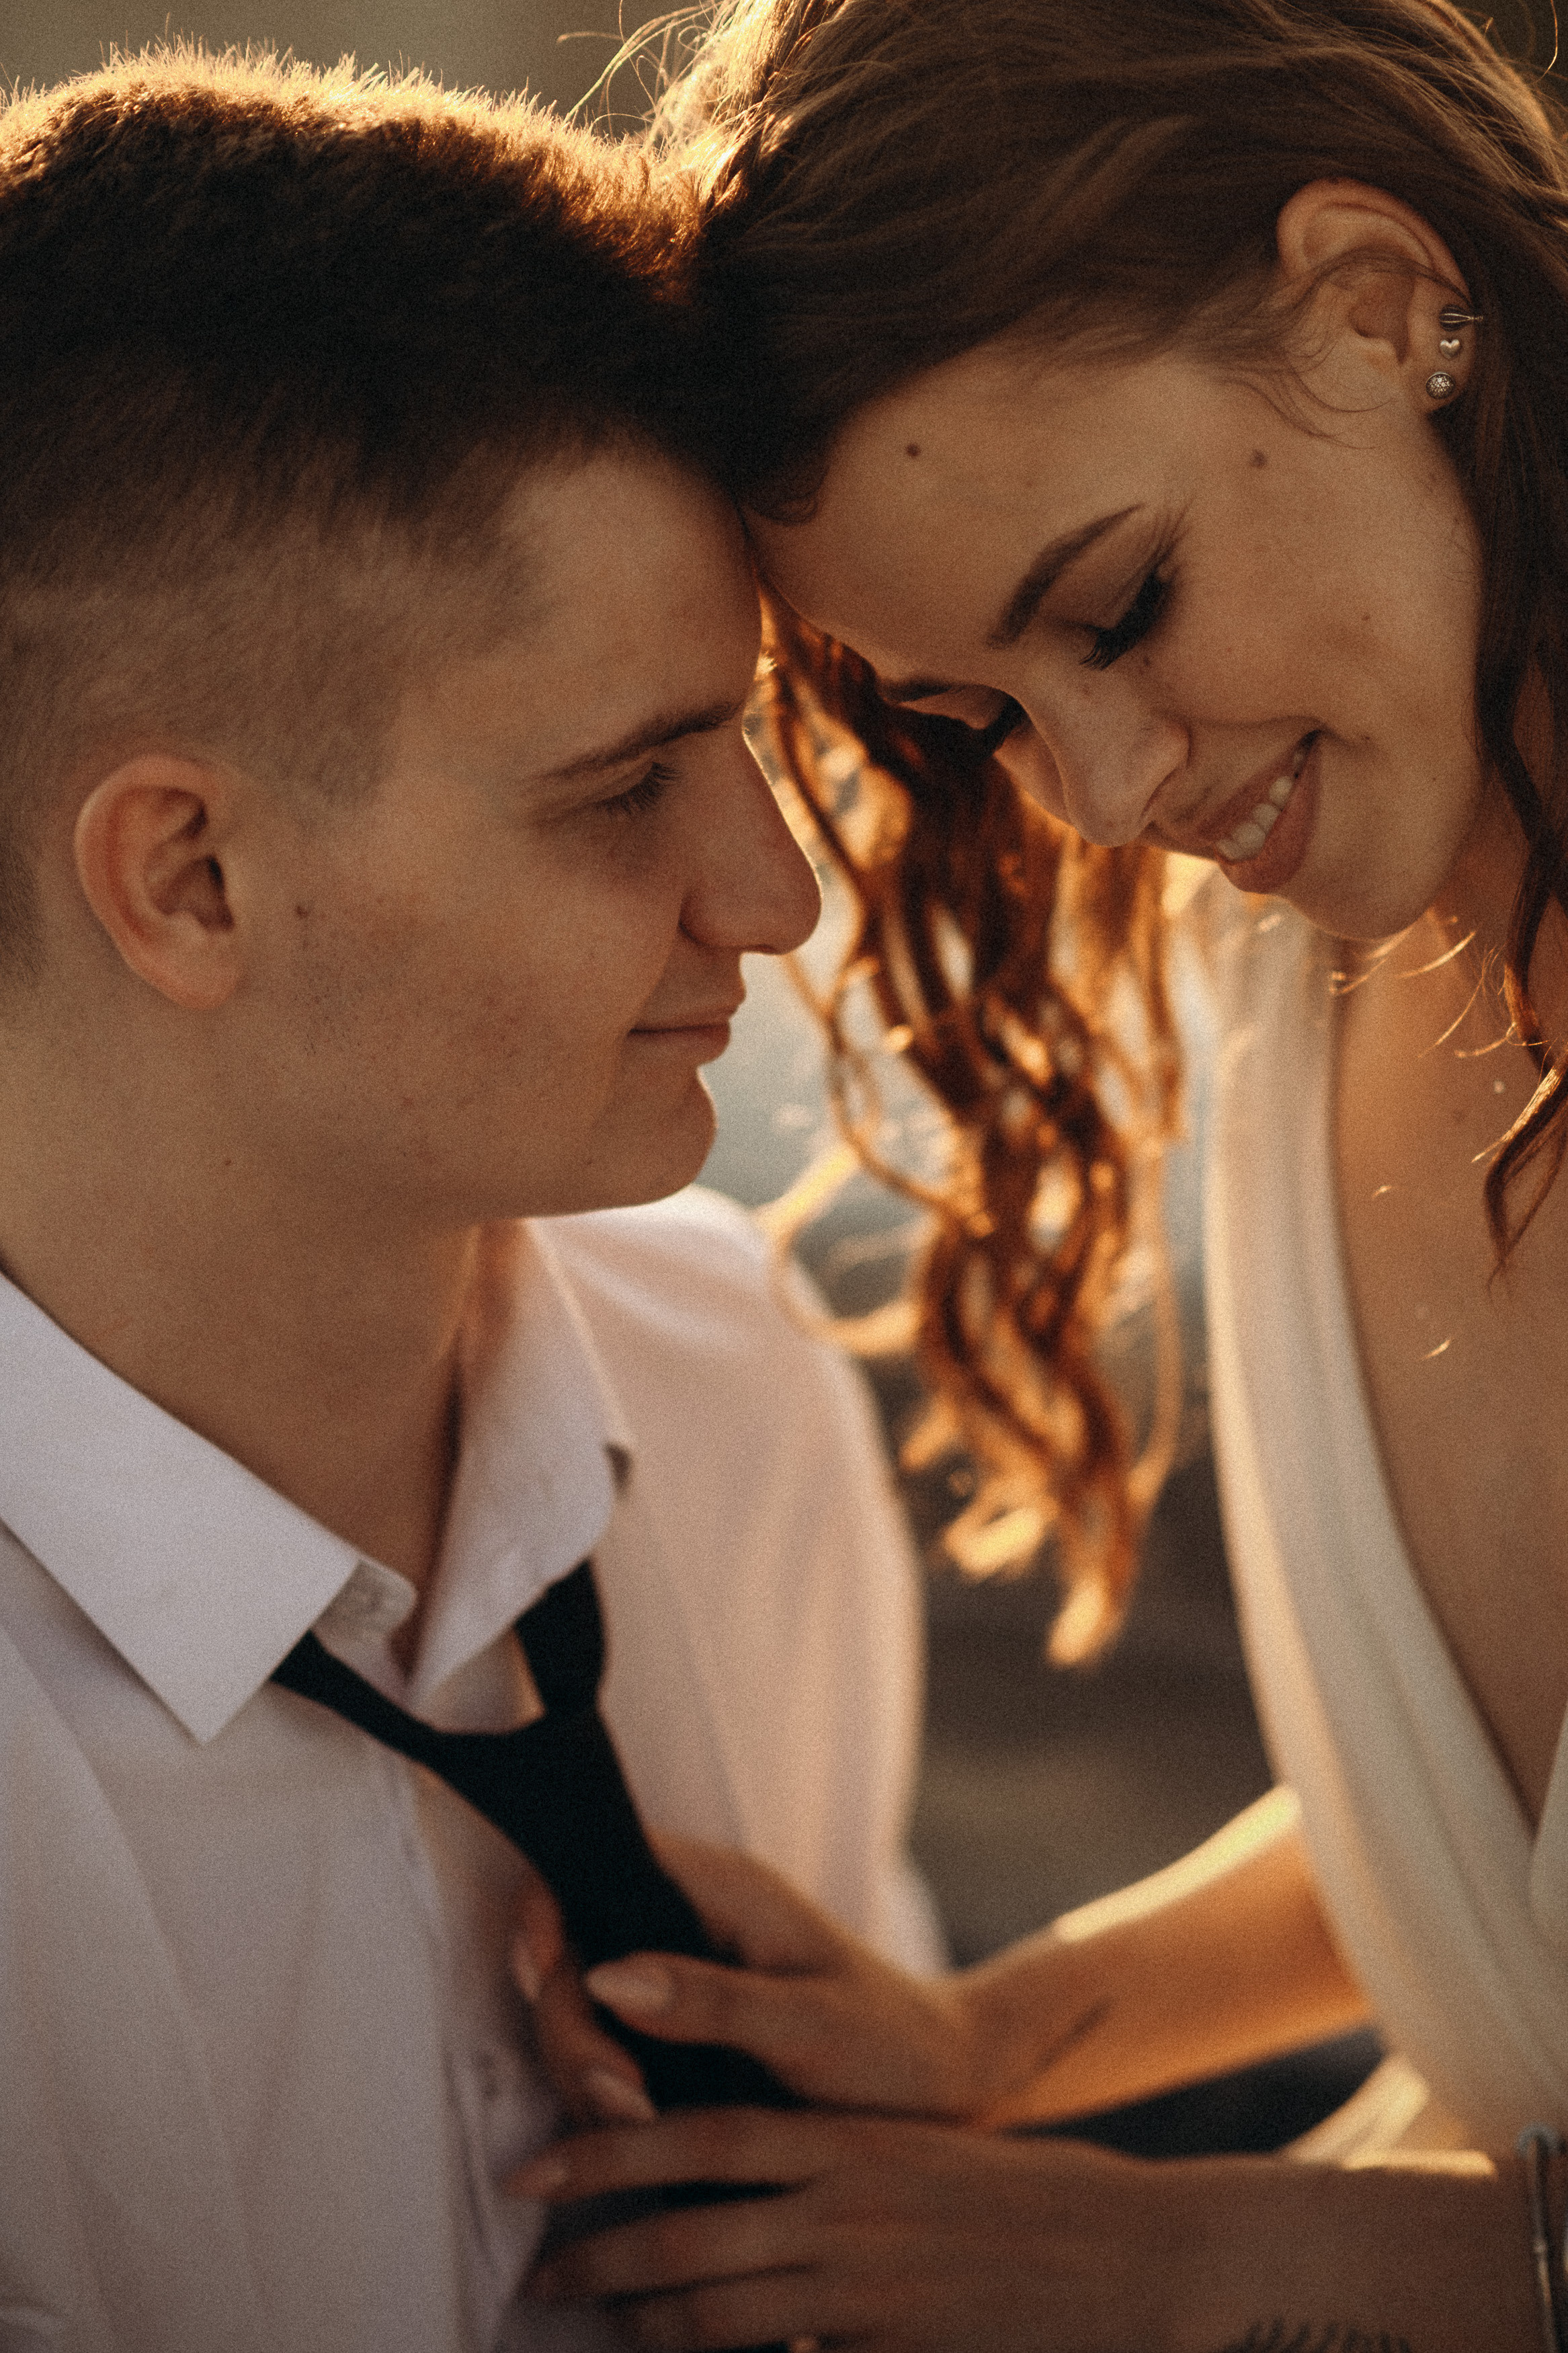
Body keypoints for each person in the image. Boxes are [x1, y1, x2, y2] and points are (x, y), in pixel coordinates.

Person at [503, 0, 1568, 2345]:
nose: (1102, 793)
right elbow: (1500, 1833)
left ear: (1381, 303)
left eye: (1120, 608)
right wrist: (995, 2039)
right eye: (980, 715)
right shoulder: (1307, 982)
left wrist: (1189, 2254)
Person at [0, 48, 945, 2353]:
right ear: (190, 878)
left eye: (750, 741)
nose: (779, 895)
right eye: (627, 789)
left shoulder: (728, 1379)